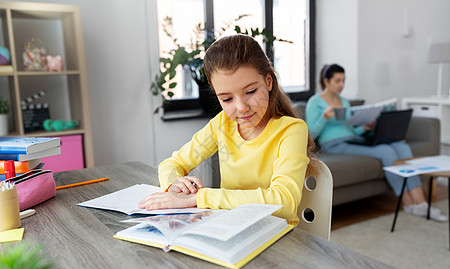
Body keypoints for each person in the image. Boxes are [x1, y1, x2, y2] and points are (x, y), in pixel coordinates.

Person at [139, 34, 316, 226]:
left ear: (268, 82)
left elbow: (284, 202)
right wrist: (174, 184)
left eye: (250, 92)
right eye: (227, 99)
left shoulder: (291, 130)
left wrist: (199, 198)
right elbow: (172, 163)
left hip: (276, 236)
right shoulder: (222, 124)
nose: (241, 107)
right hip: (229, 228)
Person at [305, 63, 447, 222]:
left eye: (343, 80)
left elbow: (350, 129)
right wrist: (324, 118)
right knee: (386, 151)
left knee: (402, 146)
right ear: (326, 81)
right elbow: (310, 134)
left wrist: (364, 128)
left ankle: (420, 202)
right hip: (334, 144)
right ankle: (407, 202)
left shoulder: (344, 102)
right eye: (337, 81)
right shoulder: (314, 102)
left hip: (354, 139)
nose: (341, 85)